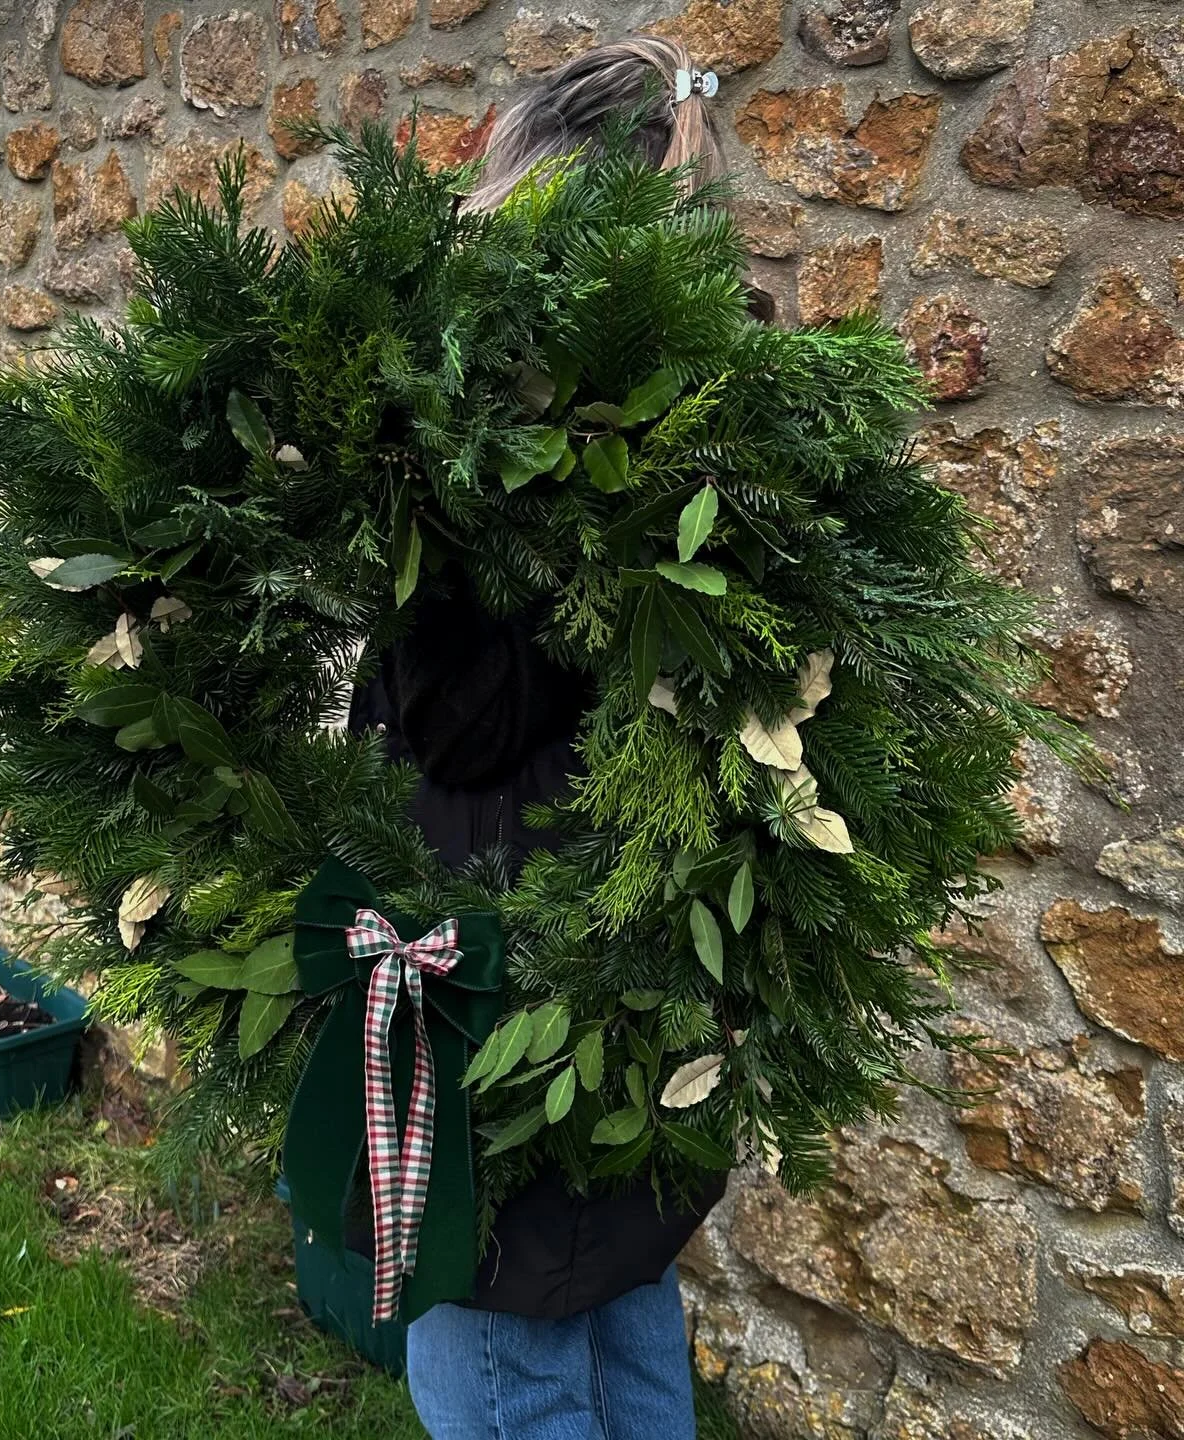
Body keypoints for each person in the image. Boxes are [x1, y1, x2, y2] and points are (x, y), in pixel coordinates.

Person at [349, 35, 765, 1440]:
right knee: (627, 1316)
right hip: (630, 950)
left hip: (507, 974)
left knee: (516, 1342)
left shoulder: (501, 400)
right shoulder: (709, 401)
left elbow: (457, 724)